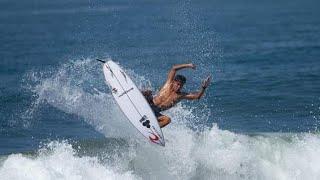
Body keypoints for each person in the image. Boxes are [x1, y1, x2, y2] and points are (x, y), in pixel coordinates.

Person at [142, 63, 211, 128]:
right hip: (149, 103)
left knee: (167, 120)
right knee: (148, 92)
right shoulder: (168, 84)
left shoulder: (181, 95)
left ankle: (152, 129)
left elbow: (197, 97)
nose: (179, 87)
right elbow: (174, 68)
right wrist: (188, 65)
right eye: (177, 84)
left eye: (181, 85)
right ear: (173, 82)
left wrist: (203, 87)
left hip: (156, 111)